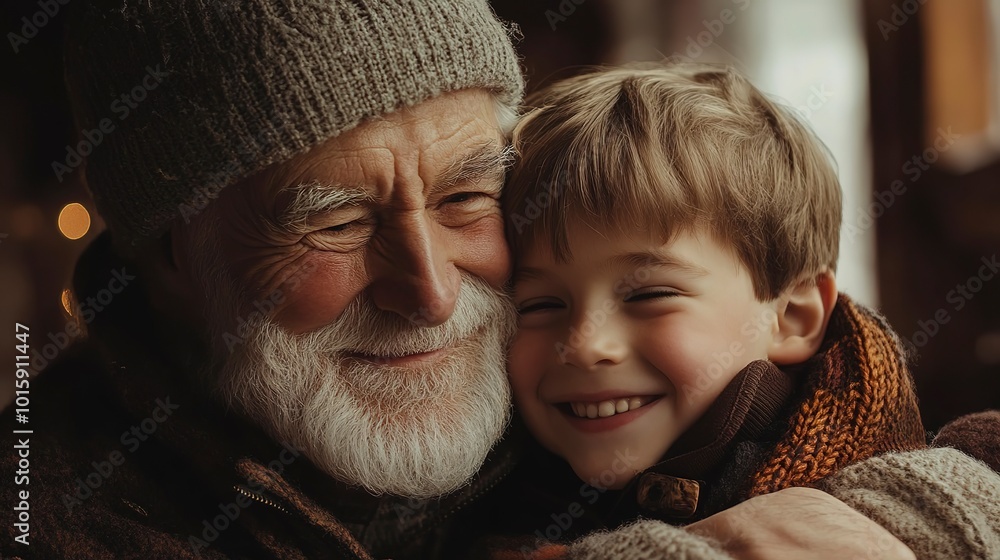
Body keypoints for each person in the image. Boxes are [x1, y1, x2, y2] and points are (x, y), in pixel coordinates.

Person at [1, 2, 994, 559]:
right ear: (170, 254)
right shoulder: (50, 508)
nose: (430, 291)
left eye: (469, 199)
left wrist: (888, 508)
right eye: (335, 220)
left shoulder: (566, 380)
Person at [457, 63, 1000, 559]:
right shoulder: (474, 500)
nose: (583, 343)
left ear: (793, 318)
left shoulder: (946, 474)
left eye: (648, 296)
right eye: (539, 304)